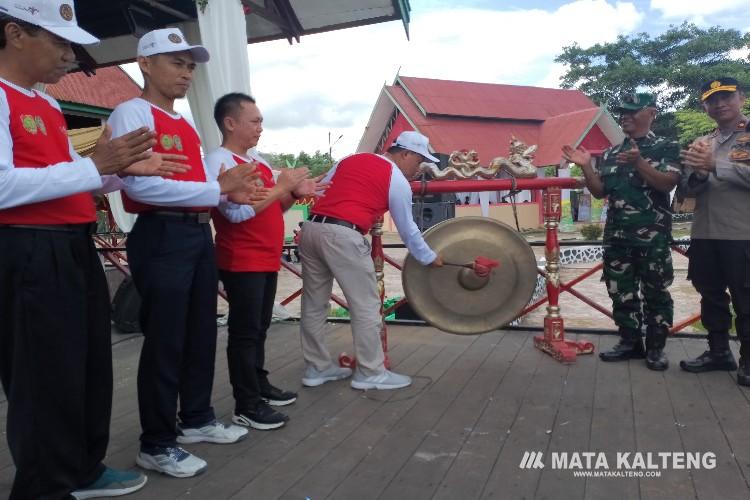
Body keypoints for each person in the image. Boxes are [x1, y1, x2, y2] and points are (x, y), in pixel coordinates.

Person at [0, 1, 195, 497]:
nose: (70, 55)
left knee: (85, 364)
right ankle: (45, 483)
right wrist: (95, 167)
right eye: (60, 41)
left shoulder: (43, 102)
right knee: (43, 373)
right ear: (15, 34)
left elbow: (69, 177)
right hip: (27, 247)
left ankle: (82, 467)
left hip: (71, 243)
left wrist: (120, 170)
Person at [108, 28, 259, 478]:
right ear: (145, 64)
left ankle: (195, 418)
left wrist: (228, 194)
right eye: (176, 62)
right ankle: (156, 442)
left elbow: (193, 191)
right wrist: (218, 188)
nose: (187, 72)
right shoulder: (131, 112)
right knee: (166, 338)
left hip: (195, 235)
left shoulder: (185, 125)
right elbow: (139, 184)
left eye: (190, 65)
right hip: (161, 235)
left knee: (200, 332)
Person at [206, 92, 320, 430]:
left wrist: (293, 194)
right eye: (254, 121)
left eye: (260, 121)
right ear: (230, 123)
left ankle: (259, 385)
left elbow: (273, 206)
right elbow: (236, 214)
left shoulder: (258, 161)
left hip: (265, 256)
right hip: (242, 257)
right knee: (245, 332)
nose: (260, 128)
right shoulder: (218, 162)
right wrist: (281, 186)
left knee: (259, 329)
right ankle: (246, 403)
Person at [299, 131, 443, 390]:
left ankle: (316, 368)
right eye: (419, 160)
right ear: (405, 153)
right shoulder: (396, 180)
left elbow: (322, 192)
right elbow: (407, 229)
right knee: (366, 305)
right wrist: (429, 257)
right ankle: (371, 372)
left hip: (311, 229)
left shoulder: (351, 159)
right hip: (343, 235)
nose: (419, 167)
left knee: (314, 304)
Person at [562, 93, 680, 371]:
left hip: (653, 237)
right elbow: (600, 191)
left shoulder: (666, 147)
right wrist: (587, 167)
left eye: (632, 111)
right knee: (620, 291)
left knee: (656, 293)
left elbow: (667, 184)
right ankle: (629, 342)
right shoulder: (610, 154)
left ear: (651, 112)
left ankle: (655, 348)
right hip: (617, 237)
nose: (625, 116)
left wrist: (639, 163)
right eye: (622, 112)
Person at [678, 77, 750, 386]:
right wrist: (695, 173)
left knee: (746, 300)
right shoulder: (703, 141)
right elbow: (687, 191)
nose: (719, 104)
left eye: (726, 97)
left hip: (741, 233)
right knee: (710, 296)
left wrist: (715, 165)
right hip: (705, 231)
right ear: (704, 106)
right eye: (712, 100)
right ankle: (718, 352)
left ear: (742, 98)